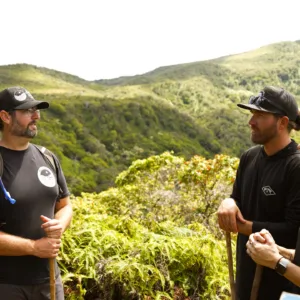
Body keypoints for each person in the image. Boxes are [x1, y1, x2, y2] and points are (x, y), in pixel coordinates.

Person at [217, 86, 300, 299]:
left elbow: (292, 229)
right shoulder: (249, 157)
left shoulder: (295, 166)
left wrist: (241, 226)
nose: (251, 121)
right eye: (252, 114)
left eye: (260, 115)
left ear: (282, 122)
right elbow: (238, 198)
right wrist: (228, 201)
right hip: (246, 275)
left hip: (286, 286)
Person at [0, 87, 73, 299]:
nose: (36, 116)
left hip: (49, 280)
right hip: (6, 285)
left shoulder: (47, 157)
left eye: (37, 110)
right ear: (5, 116)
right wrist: (34, 247)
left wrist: (60, 224)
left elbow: (65, 205)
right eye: (26, 111)